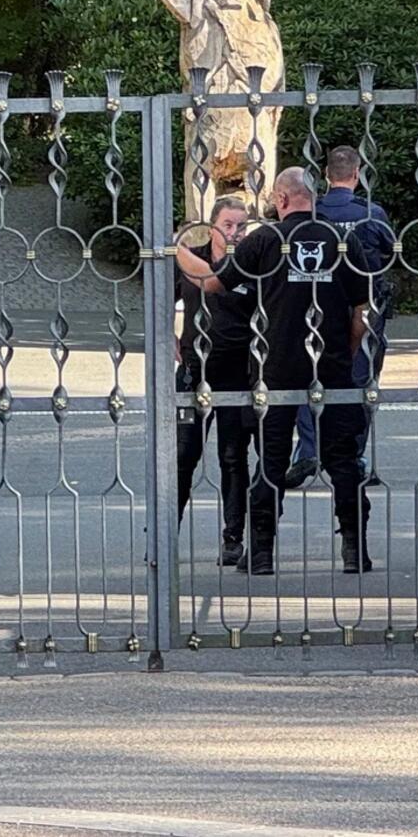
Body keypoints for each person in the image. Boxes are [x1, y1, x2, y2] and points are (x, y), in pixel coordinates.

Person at [180, 168, 374, 574]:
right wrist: (347, 350)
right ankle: (355, 550)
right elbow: (362, 309)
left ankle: (262, 553)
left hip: (277, 365)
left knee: (271, 461)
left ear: (282, 200)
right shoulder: (342, 239)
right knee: (343, 460)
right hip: (331, 362)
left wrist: (172, 249)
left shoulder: (267, 240)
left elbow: (215, 284)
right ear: (313, 198)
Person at [289, 146, 396, 489]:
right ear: (357, 172)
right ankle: (352, 455)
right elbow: (391, 253)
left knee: (310, 375)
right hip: (365, 305)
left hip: (317, 305)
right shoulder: (371, 213)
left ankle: (308, 450)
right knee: (360, 380)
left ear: (325, 174)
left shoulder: (314, 212)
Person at [173, 197, 259, 567]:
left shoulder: (251, 264)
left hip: (237, 369)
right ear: (212, 227)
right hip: (195, 369)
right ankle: (164, 534)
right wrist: (170, 337)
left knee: (233, 456)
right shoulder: (190, 257)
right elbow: (161, 300)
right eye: (228, 224)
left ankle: (233, 536)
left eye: (241, 226)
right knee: (182, 456)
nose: (235, 232)